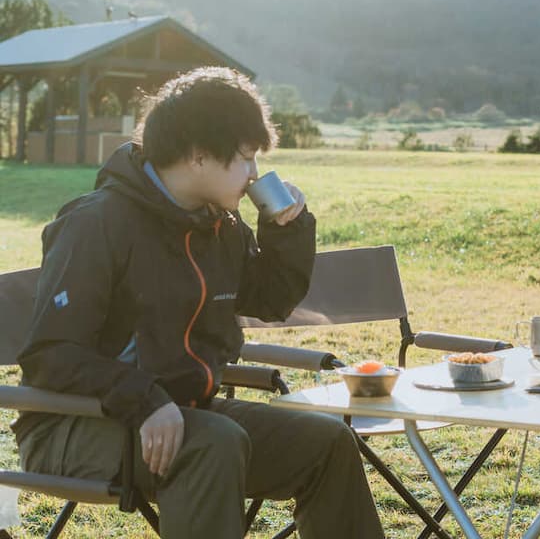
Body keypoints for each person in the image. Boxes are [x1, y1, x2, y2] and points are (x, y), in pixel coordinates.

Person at [15, 67, 384, 539]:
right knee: (214, 442)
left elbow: (270, 300)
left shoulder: (219, 227)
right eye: (246, 157)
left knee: (327, 442)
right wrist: (146, 400)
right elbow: (51, 356)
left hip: (183, 415)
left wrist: (285, 229)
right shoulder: (97, 224)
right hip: (75, 424)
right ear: (198, 155)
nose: (254, 173)